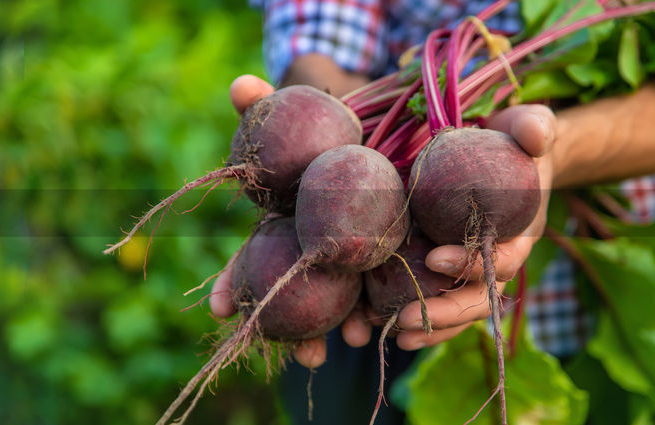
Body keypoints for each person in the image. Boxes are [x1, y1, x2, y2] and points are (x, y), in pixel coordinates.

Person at [207, 1, 655, 423]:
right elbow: (321, 36)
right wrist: (321, 127)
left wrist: (562, 150)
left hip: (563, 306)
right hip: (380, 314)